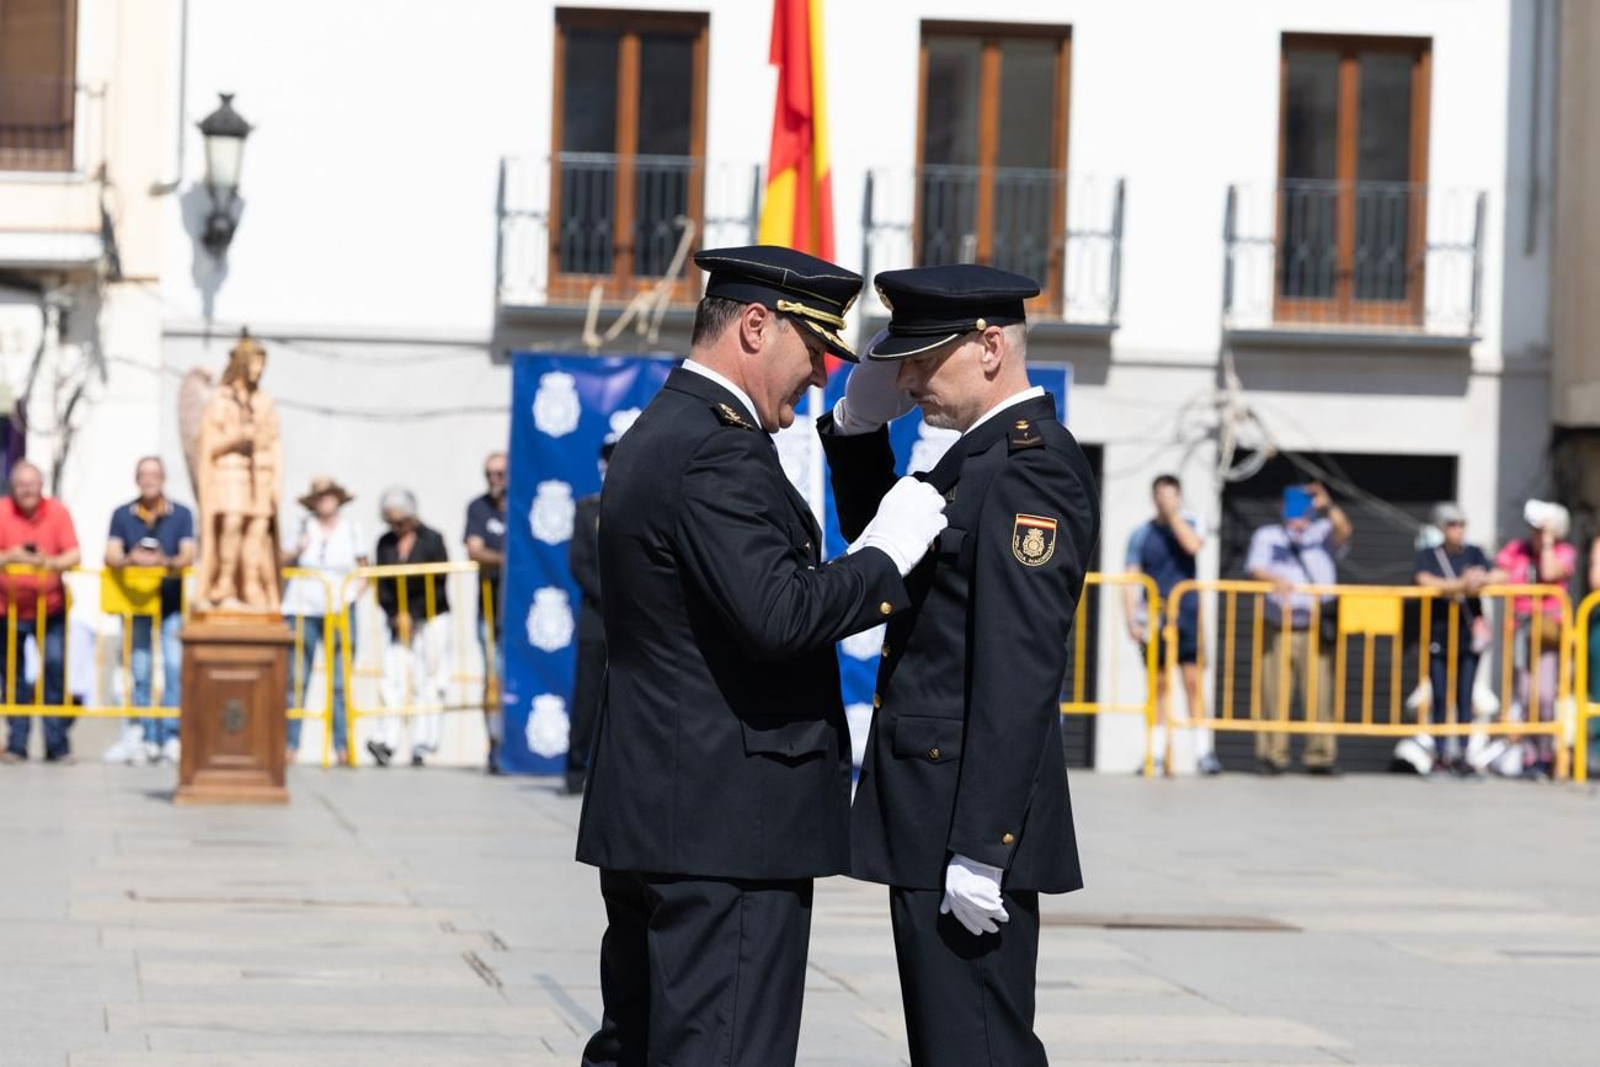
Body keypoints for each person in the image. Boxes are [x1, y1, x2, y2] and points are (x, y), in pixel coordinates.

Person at [575, 246, 946, 1067]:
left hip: (665, 808)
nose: (817, 374)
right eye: (812, 349)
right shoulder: (719, 448)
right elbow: (777, 615)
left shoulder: (660, 429)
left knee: (639, 1047)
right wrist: (885, 551)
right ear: (753, 325)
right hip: (726, 827)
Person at [820, 264, 1098, 1067]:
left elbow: (1018, 667)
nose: (905, 378)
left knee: (976, 1048)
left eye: (921, 357)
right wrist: (857, 430)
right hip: (935, 811)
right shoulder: (972, 457)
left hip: (965, 825)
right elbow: (893, 546)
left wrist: (984, 845)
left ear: (987, 347)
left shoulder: (1028, 466)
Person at [1245, 482, 1353, 775]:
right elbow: (1254, 568)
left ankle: (1320, 756)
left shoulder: (1322, 533)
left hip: (1315, 626)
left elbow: (1345, 531)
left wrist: (1327, 504)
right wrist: (1273, 578)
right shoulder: (1268, 535)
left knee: (1319, 693)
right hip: (1278, 625)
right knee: (1273, 692)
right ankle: (1272, 755)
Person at [1123, 473, 1219, 775]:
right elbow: (1130, 577)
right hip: (1155, 616)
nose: (1164, 500)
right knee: (1159, 687)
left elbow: (1192, 546)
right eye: (1160, 495)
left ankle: (1203, 752)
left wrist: (1173, 515)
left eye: (1170, 494)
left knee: (1192, 683)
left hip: (1187, 616)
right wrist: (1130, 619)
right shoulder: (1141, 534)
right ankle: (1156, 753)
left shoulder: (1191, 522)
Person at [102, 457, 196, 765]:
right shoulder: (122, 513)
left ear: (163, 478)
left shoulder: (181, 514)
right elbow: (111, 554)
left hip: (170, 602)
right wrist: (132, 558)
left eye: (154, 475)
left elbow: (187, 555)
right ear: (136, 478)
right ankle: (143, 733)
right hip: (136, 602)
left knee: (172, 667)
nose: (149, 480)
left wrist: (162, 561)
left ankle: (170, 736)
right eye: (143, 475)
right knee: (140, 669)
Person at [282, 475, 368, 765]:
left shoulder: (352, 529)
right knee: (296, 679)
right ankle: (289, 745)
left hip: (340, 608)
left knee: (340, 681)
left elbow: (363, 568)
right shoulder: (301, 527)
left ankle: (342, 746)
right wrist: (297, 549)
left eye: (329, 495)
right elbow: (281, 559)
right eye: (319, 496)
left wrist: (352, 596)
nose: (324, 501)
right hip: (302, 609)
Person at [1414, 503, 1505, 774]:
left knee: (1466, 695)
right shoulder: (1430, 554)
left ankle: (1464, 753)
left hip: (1468, 636)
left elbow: (1501, 574)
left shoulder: (1474, 553)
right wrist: (1459, 586)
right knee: (1440, 695)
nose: (1458, 530)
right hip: (1439, 632)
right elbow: (1423, 579)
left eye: (1462, 525)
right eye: (1453, 525)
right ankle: (1441, 753)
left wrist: (1481, 579)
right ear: (1443, 528)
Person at [0, 461, 81, 763]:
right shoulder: (2, 510)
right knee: (12, 679)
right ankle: (17, 744)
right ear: (13, 487)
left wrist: (47, 562)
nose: (27, 489)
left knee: (55, 671)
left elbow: (74, 553)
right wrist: (11, 557)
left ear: (41, 485)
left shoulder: (57, 512)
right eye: (21, 484)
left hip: (51, 610)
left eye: (32, 483)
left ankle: (57, 744)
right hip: (6, 610)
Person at [371, 488, 451, 768]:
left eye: (400, 522)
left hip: (430, 617)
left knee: (428, 679)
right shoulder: (385, 544)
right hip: (398, 620)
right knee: (391, 678)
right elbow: (381, 585)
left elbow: (439, 583)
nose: (395, 527)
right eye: (390, 522)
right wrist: (396, 614)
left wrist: (414, 614)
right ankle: (386, 741)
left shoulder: (433, 540)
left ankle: (422, 744)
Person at [1495, 500, 1575, 779]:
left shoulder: (1564, 551)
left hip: (1550, 632)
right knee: (1525, 695)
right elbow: (1500, 574)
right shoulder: (1517, 550)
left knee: (1544, 696)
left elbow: (1551, 573)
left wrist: (1549, 541)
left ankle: (1545, 753)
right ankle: (1529, 754)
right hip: (1521, 630)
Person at [564, 435, 613, 795]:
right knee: (586, 698)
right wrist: (608, 595)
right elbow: (579, 564)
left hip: (634, 622)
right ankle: (575, 767)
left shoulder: (641, 507)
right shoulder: (588, 511)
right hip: (597, 620)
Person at [464, 451, 508, 774]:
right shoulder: (478, 507)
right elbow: (475, 550)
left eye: (499, 474)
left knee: (513, 676)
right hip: (490, 608)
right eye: (488, 474)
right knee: (493, 677)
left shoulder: (522, 502)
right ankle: (494, 744)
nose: (494, 480)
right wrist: (510, 562)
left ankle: (514, 743)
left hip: (520, 609)